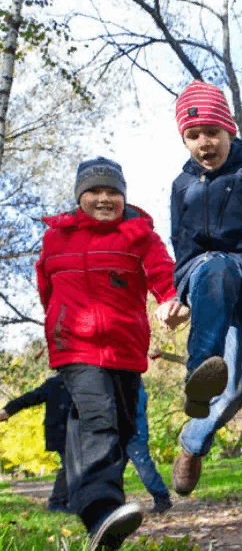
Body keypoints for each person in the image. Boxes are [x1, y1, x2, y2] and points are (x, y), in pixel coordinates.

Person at [36, 157, 188, 550]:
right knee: (99, 422)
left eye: (112, 192)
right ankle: (102, 510)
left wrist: (173, 301)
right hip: (75, 348)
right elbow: (46, 288)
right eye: (95, 191)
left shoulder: (139, 236)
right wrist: (54, 325)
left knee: (120, 431)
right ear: (79, 197)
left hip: (124, 347)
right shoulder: (57, 238)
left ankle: (103, 528)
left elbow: (163, 275)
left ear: (123, 198)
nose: (104, 199)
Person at [169, 81, 242, 497]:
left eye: (211, 133)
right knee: (214, 268)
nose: (204, 144)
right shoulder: (182, 186)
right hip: (206, 275)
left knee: (233, 392)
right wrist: (180, 295)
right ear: (185, 139)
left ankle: (191, 444)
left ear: (229, 129)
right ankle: (199, 367)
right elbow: (181, 245)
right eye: (193, 136)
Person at [0, 374, 72, 513]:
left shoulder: (91, 379)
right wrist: (8, 410)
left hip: (80, 430)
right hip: (61, 431)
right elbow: (31, 397)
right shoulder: (55, 382)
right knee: (70, 464)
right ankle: (57, 503)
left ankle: (71, 501)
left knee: (79, 465)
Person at [125, 379, 172, 515]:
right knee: (142, 462)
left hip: (130, 426)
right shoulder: (136, 381)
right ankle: (161, 496)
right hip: (137, 426)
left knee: (140, 463)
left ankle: (161, 496)